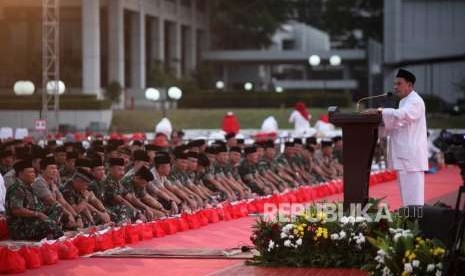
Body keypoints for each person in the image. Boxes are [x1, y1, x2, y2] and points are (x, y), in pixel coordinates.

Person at [367, 69, 428, 206]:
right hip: (405, 157)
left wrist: (379, 112)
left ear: (410, 85)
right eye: (394, 84)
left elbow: (402, 115)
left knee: (413, 200)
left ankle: (415, 225)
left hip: (410, 159)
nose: (395, 87)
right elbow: (396, 124)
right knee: (407, 199)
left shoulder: (415, 101)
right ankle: (409, 225)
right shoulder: (405, 101)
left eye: (399, 84)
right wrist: (380, 121)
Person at [5, 160, 63, 240]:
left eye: (34, 172)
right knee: (48, 224)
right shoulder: (16, 188)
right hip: (21, 226)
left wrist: (45, 215)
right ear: (20, 174)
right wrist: (38, 214)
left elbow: (39, 207)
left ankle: (51, 230)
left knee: (57, 207)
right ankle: (51, 231)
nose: (34, 175)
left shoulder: (29, 188)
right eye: (30, 172)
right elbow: (16, 210)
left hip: (32, 222)